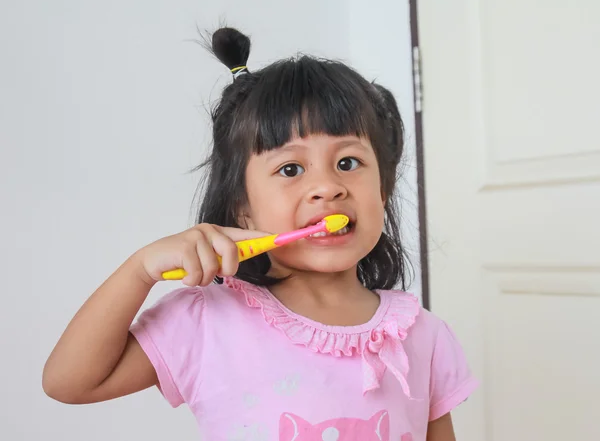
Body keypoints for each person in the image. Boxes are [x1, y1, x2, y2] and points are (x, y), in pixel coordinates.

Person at [43, 27, 478, 441]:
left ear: (382, 190)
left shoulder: (423, 335)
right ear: (242, 211)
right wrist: (139, 271)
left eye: (348, 162)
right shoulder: (207, 321)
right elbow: (69, 383)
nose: (328, 186)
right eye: (291, 169)